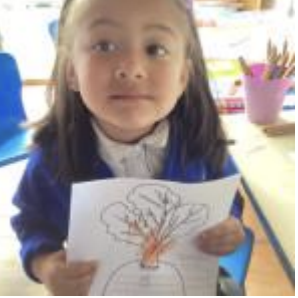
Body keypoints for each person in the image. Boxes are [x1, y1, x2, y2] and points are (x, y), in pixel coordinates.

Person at [11, 0, 245, 295]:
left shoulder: (201, 140)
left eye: (155, 49)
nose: (132, 68)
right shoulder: (53, 158)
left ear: (183, 77)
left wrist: (231, 226)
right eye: (104, 46)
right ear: (71, 72)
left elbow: (228, 198)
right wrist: (45, 265)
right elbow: (32, 221)